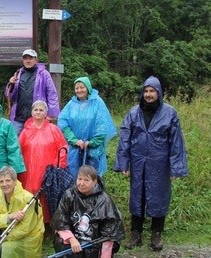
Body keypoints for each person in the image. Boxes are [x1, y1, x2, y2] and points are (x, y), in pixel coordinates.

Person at [113, 75, 188, 251]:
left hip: (159, 162)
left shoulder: (169, 113)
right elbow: (125, 137)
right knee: (137, 195)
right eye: (146, 91)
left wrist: (176, 166)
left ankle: (156, 233)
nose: (148, 94)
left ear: (158, 92)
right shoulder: (133, 112)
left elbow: (176, 141)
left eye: (152, 91)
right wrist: (123, 163)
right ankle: (135, 233)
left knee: (159, 196)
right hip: (138, 161)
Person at [18, 100, 68, 224]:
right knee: (30, 193)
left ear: (46, 113)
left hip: (49, 171)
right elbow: (18, 151)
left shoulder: (54, 130)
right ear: (32, 112)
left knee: (48, 195)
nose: (38, 112)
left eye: (41, 110)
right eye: (36, 110)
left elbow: (63, 148)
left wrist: (59, 166)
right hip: (29, 172)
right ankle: (31, 223)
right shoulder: (25, 131)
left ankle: (48, 223)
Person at [57, 77, 117, 177]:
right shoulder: (71, 104)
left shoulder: (97, 102)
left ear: (88, 88)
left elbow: (103, 125)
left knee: (92, 177)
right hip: (75, 148)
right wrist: (74, 140)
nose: (79, 90)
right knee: (75, 176)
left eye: (82, 87)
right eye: (77, 88)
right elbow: (63, 123)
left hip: (93, 149)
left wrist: (92, 142)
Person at [0, 166, 44, 258]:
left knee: (3, 248)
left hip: (27, 237)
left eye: (8, 180)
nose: (4, 184)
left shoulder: (27, 199)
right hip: (6, 231)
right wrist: (9, 217)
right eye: (1, 181)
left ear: (15, 181)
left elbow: (26, 228)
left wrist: (5, 238)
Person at [5, 49, 60, 135]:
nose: (28, 60)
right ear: (23, 60)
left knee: (36, 143)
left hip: (37, 117)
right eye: (25, 58)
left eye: (30, 58)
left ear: (36, 60)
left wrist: (51, 114)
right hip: (18, 117)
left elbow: (52, 94)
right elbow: (10, 96)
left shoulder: (44, 74)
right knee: (15, 143)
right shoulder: (18, 73)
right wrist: (10, 84)